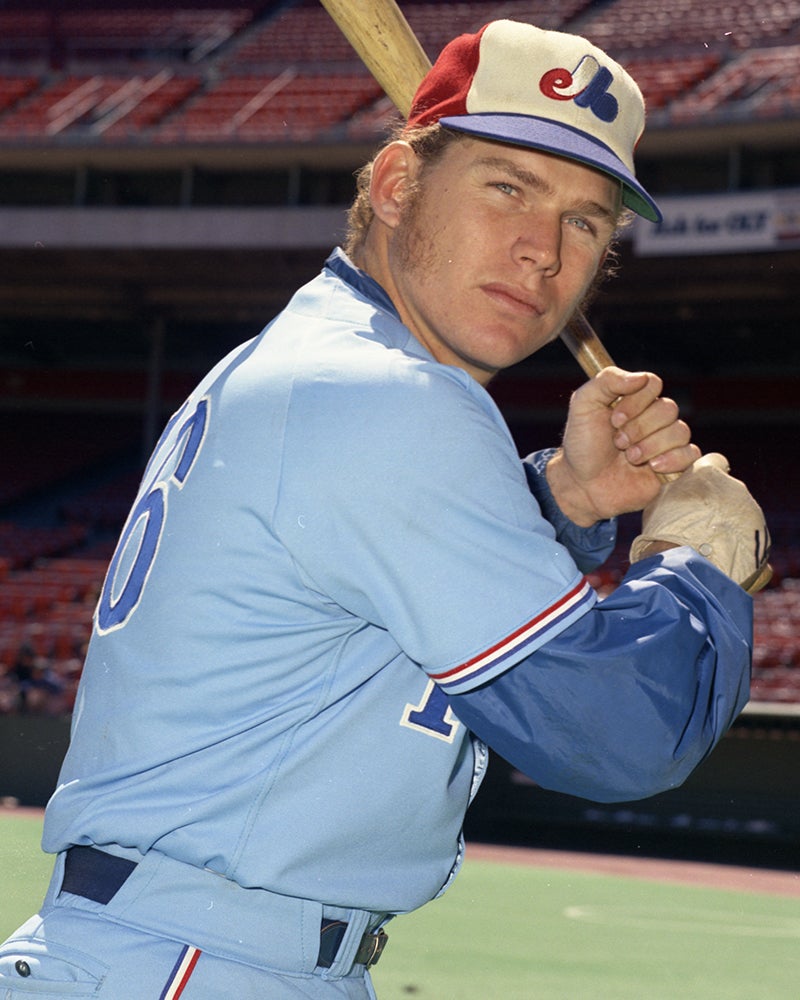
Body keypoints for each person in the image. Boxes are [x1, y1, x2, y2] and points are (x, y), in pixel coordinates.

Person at [0, 19, 768, 1000]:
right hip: (199, 963)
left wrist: (563, 499)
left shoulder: (320, 363)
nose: (542, 251)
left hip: (172, 950)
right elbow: (612, 733)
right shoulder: (389, 397)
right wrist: (694, 558)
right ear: (398, 184)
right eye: (507, 188)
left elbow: (367, 626)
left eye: (585, 220)